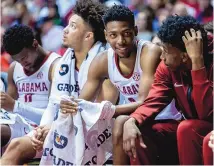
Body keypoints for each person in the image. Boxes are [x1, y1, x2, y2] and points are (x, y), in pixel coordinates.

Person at [60, 5, 180, 165]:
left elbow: (146, 103)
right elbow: (83, 102)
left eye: (127, 34)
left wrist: (107, 110)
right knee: (84, 122)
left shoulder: (150, 53)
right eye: (113, 35)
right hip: (132, 120)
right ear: (105, 35)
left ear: (136, 31)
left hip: (164, 118)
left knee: (120, 122)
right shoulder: (102, 61)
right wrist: (71, 106)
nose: (121, 41)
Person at [0, 0, 116, 165]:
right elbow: (53, 104)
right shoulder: (65, 63)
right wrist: (44, 128)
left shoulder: (104, 64)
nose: (65, 30)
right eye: (68, 24)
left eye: (73, 26)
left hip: (92, 133)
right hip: (59, 126)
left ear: (88, 36)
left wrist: (54, 127)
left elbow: (100, 114)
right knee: (16, 146)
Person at [122, 15, 213, 165]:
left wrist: (197, 64)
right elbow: (154, 99)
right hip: (188, 129)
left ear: (184, 56)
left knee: (187, 128)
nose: (161, 56)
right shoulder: (168, 67)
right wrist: (133, 120)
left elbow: (206, 113)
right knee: (141, 132)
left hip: (206, 129)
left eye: (165, 51)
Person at [0, 25, 60, 148]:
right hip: (19, 123)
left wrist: (15, 106)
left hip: (43, 128)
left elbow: (55, 116)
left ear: (35, 44)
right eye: (17, 60)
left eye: (24, 57)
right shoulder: (14, 69)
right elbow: (9, 111)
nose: (22, 63)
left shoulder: (55, 66)